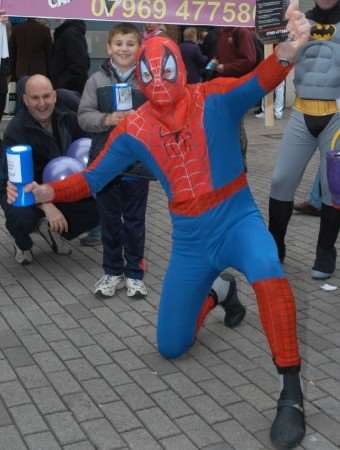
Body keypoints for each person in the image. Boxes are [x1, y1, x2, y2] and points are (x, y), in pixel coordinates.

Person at [10, 6, 310, 448]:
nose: (158, 77)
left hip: (236, 219)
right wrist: (46, 193)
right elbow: (93, 178)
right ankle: (220, 293)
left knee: (268, 269)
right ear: (138, 77)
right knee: (170, 346)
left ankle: (292, 392)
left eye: (163, 66)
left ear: (178, 67)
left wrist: (288, 49)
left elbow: (262, 78)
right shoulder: (134, 127)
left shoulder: (215, 98)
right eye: (148, 70)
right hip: (189, 239)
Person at [77, 23, 151, 299]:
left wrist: (142, 119)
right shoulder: (96, 80)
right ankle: (112, 272)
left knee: (134, 222)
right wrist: (107, 119)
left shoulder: (146, 81)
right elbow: (83, 116)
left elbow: (159, 115)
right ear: (109, 48)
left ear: (139, 48)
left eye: (130, 44)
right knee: (109, 221)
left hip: (137, 166)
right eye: (118, 43)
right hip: (105, 164)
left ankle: (134, 275)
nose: (124, 49)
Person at [269, 0, 340, 280]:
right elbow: (283, 60)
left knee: (332, 188)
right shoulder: (299, 20)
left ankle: (325, 252)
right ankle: (275, 247)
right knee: (280, 180)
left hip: (336, 116)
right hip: (301, 111)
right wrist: (284, 39)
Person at [0, 74, 99, 264]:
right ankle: (22, 243)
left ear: (54, 96)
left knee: (102, 203)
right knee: (20, 213)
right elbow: (9, 179)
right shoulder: (16, 130)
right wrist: (46, 205)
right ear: (25, 100)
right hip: (24, 190)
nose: (42, 103)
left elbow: (89, 151)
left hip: (58, 187)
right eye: (35, 98)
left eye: (46, 96)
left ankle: (51, 230)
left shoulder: (69, 118)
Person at [49, 19, 89, 94]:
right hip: (66, 89)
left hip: (68, 90)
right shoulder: (67, 32)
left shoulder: (70, 33)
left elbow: (80, 65)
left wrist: (59, 85)